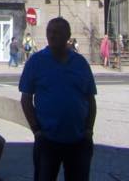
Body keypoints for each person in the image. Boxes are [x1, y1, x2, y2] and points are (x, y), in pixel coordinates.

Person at [19, 16, 97, 181]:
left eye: (57, 32)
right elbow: (26, 99)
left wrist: (89, 130)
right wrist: (37, 131)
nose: (52, 36)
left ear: (67, 35)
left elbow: (90, 98)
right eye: (49, 32)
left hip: (78, 140)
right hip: (47, 140)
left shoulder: (80, 63)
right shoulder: (36, 62)